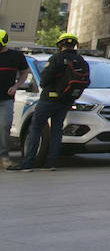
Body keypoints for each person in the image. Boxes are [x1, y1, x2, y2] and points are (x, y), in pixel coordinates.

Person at [17, 33, 89, 171]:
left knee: (36, 128)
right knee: (57, 130)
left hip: (49, 99)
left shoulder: (56, 58)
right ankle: (51, 163)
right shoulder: (80, 60)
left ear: (60, 45)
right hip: (66, 100)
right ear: (74, 45)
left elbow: (44, 80)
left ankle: (28, 163)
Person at [0, 31, 32, 169]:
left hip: (6, 99)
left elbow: (24, 73)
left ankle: (3, 156)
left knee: (4, 127)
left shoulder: (16, 56)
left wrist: (16, 86)